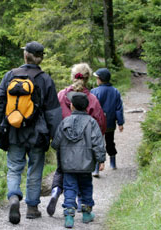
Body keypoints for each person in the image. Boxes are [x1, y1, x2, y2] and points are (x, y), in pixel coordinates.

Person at [0, 41, 62, 225]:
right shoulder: (45, 79)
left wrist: (4, 123)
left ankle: (14, 196)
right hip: (38, 134)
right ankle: (32, 207)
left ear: (25, 55)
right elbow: (53, 112)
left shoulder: (10, 75)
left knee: (14, 167)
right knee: (35, 169)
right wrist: (56, 136)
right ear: (41, 58)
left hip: (14, 131)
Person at [46, 63, 106, 216]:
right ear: (87, 79)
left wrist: (55, 139)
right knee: (83, 174)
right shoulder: (92, 99)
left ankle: (56, 191)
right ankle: (83, 205)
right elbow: (100, 123)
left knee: (64, 171)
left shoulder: (61, 95)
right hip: (86, 146)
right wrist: (99, 153)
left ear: (72, 77)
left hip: (64, 144)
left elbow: (52, 116)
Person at [51, 92, 106, 228]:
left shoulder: (65, 122)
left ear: (72, 107)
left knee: (70, 187)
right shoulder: (92, 122)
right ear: (87, 107)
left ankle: (69, 216)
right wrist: (101, 159)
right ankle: (86, 214)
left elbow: (56, 143)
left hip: (68, 164)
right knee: (86, 187)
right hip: (86, 164)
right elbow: (98, 143)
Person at [91, 68, 124, 170]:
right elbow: (119, 108)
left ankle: (96, 167)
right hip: (110, 123)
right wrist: (120, 122)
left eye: (97, 78)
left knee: (97, 143)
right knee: (110, 142)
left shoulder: (94, 91)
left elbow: (91, 108)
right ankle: (113, 163)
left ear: (100, 79)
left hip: (97, 124)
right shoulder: (115, 91)